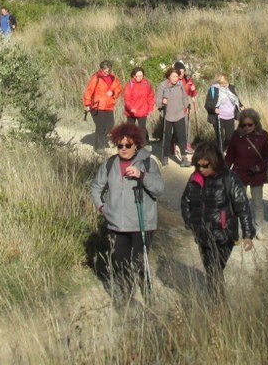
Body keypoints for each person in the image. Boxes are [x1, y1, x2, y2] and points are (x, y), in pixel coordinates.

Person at [89, 123, 164, 303]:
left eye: (128, 145)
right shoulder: (109, 164)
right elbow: (95, 187)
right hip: (116, 223)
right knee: (120, 262)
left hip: (142, 222)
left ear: (136, 145)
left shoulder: (148, 163)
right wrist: (102, 207)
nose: (123, 149)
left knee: (139, 261)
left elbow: (159, 189)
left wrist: (142, 176)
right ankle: (127, 295)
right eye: (120, 145)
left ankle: (146, 290)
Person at [180, 141, 254, 296]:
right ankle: (217, 307)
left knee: (214, 270)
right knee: (212, 272)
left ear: (214, 162)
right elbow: (186, 201)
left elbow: (243, 206)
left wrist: (247, 234)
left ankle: (217, 306)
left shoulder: (230, 179)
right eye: (198, 165)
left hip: (224, 235)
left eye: (205, 165)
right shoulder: (195, 179)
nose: (201, 169)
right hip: (202, 235)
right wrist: (191, 223)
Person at [224, 108, 268, 238]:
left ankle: (259, 229)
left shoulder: (263, 135)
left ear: (256, 124)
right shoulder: (236, 136)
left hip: (257, 175)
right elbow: (229, 156)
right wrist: (223, 172)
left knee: (257, 203)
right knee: (239, 203)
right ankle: (240, 229)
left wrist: (259, 167)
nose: (246, 127)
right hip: (239, 174)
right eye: (244, 125)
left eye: (250, 125)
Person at [82, 60, 123, 153]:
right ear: (101, 68)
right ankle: (99, 147)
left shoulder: (113, 78)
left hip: (109, 105)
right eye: (105, 68)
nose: (106, 70)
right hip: (97, 105)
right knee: (100, 126)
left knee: (110, 125)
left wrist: (112, 92)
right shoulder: (96, 77)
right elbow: (89, 91)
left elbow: (119, 88)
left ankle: (100, 142)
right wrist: (87, 104)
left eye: (108, 68)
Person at [155, 67, 192, 167]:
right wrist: (162, 103)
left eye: (177, 76)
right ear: (169, 76)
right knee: (167, 137)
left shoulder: (180, 84)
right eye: (173, 76)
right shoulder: (163, 86)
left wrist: (186, 105)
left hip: (179, 113)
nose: (175, 78)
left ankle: (184, 158)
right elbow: (157, 100)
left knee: (182, 136)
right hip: (167, 114)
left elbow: (184, 96)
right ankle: (165, 156)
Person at [204, 74, 242, 154]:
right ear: (218, 83)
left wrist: (241, 106)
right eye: (222, 83)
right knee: (220, 138)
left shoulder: (231, 88)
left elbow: (236, 99)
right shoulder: (213, 90)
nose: (224, 85)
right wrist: (214, 110)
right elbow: (207, 105)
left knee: (229, 138)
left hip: (230, 116)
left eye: (225, 82)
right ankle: (220, 155)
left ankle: (224, 150)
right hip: (218, 117)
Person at [122, 67, 155, 139]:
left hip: (143, 109)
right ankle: (130, 143)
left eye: (141, 76)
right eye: (138, 76)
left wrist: (150, 108)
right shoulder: (129, 85)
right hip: (131, 110)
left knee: (142, 127)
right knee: (130, 128)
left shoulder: (147, 84)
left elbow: (151, 97)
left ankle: (144, 143)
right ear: (134, 76)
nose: (140, 77)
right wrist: (131, 108)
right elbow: (127, 98)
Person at [173, 61, 197, 155]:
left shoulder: (187, 80)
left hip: (185, 107)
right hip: (174, 108)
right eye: (180, 72)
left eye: (183, 71)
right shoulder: (172, 79)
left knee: (187, 126)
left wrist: (193, 90)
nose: (182, 74)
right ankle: (174, 144)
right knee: (175, 127)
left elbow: (192, 94)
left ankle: (186, 144)